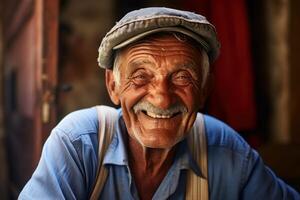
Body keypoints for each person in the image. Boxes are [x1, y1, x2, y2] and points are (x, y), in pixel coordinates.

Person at [19, 7, 299, 200]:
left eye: (182, 77)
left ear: (204, 89)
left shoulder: (227, 152)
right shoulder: (79, 143)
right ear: (113, 86)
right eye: (140, 77)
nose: (162, 98)